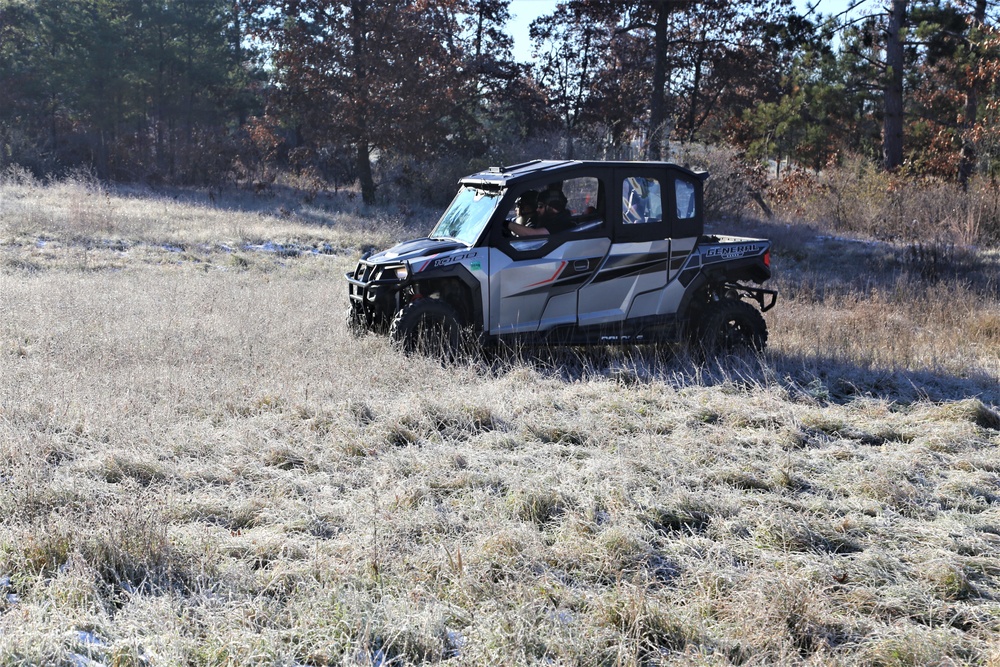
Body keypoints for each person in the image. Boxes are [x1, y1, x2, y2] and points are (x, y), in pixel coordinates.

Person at [506, 188, 572, 238]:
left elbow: (532, 235)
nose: (537, 209)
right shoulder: (547, 219)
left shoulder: (562, 224)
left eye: (540, 206)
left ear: (552, 208)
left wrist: (506, 224)